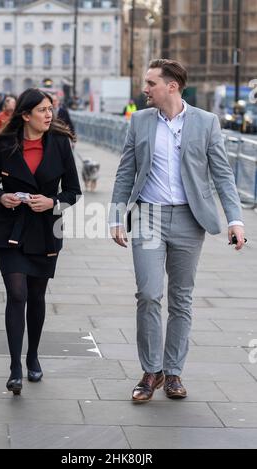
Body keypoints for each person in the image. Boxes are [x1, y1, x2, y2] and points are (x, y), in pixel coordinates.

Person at [109, 59, 245, 402]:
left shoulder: (206, 122)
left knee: (181, 299)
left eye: (151, 83)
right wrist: (114, 216)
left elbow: (223, 175)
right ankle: (150, 371)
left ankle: (173, 373)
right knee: (149, 294)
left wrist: (235, 220)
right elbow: (126, 171)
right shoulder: (139, 121)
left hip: (189, 219)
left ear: (172, 86)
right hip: (147, 217)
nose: (145, 89)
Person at [0, 88, 81, 396]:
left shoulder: (61, 144)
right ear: (25, 115)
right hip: (9, 229)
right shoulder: (3, 145)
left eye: (51, 109)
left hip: (46, 230)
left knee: (36, 296)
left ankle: (33, 355)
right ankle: (14, 368)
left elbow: (73, 192)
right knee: (17, 293)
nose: (49, 114)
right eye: (42, 110)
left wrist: (52, 203)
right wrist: (1, 197)